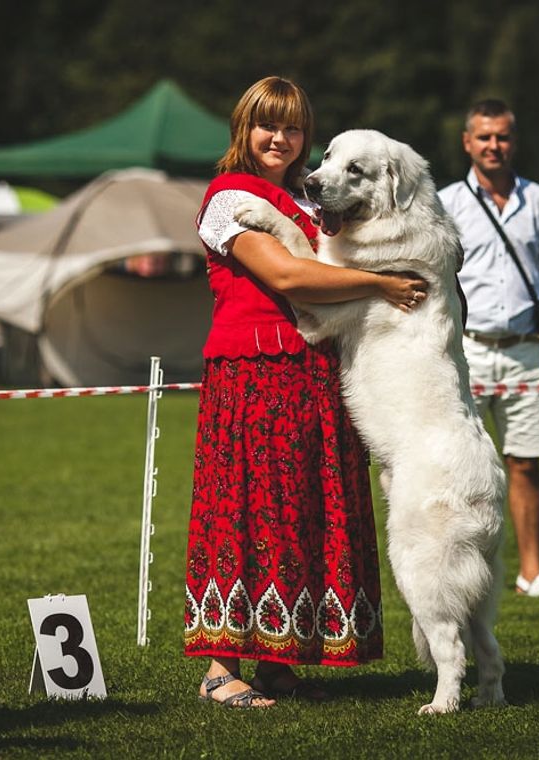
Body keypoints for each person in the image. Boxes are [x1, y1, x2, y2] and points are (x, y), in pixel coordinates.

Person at [183, 76, 428, 708]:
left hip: (314, 376)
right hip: (253, 376)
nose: (281, 138)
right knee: (243, 510)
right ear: (245, 128)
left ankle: (277, 661)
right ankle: (218, 669)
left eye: (293, 127)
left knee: (299, 517)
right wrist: (380, 283)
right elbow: (286, 273)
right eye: (268, 124)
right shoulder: (227, 197)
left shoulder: (305, 199)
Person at [438, 99, 539, 601]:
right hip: (466, 349)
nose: (494, 146)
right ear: (467, 142)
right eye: (485, 137)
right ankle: (462, 575)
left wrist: (531, 304)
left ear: (514, 142)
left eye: (503, 137)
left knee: (526, 462)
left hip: (523, 350)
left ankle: (532, 572)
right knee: (458, 466)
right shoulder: (446, 200)